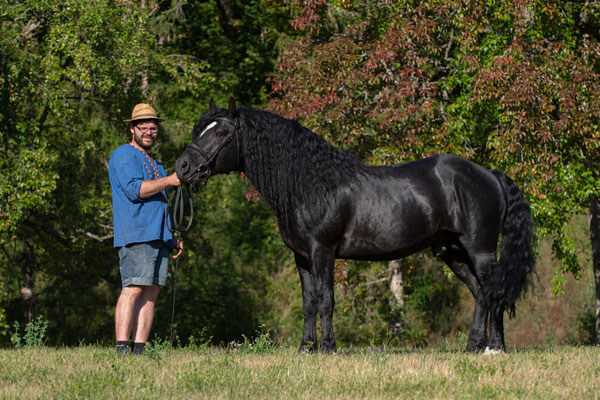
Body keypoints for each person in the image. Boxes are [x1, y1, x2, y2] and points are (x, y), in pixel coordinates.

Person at [108, 103, 183, 355]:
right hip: (136, 233)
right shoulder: (123, 155)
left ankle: (139, 350)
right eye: (144, 128)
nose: (149, 132)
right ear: (132, 129)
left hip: (159, 235)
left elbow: (161, 201)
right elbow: (135, 190)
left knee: (151, 293)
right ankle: (122, 348)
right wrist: (171, 179)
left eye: (153, 128)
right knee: (133, 288)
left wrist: (171, 234)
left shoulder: (156, 162)